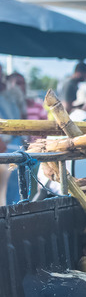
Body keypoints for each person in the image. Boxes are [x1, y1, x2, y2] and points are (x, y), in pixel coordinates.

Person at [0, 65, 24, 206]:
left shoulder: (11, 93)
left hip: (15, 144)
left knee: (16, 189)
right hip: (4, 147)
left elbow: (20, 117)